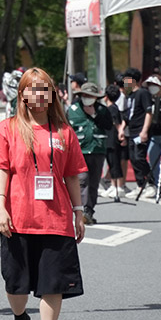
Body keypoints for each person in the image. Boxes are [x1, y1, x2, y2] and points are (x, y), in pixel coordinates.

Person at [0, 67, 87, 320]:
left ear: (52, 94)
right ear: (23, 95)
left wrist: (78, 213)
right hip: (18, 218)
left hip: (55, 219)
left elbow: (71, 176)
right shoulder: (7, 128)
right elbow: (2, 170)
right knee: (15, 285)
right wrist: (0, 207)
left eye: (45, 89)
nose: (39, 95)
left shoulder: (64, 132)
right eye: (32, 89)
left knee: (52, 283)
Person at [66, 82, 111, 224]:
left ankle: (89, 211)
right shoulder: (72, 110)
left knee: (94, 183)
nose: (88, 98)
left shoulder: (103, 110)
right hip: (79, 151)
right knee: (82, 180)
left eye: (91, 96)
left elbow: (109, 125)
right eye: (85, 95)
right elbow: (66, 130)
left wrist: (95, 115)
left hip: (97, 150)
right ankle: (82, 210)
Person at [119, 67, 156, 199]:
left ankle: (151, 184)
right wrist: (123, 129)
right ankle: (140, 185)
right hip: (131, 131)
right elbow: (127, 115)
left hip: (141, 131)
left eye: (126, 79)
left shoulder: (143, 93)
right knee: (133, 159)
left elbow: (149, 112)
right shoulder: (130, 96)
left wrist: (144, 131)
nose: (124, 82)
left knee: (140, 157)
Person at [102, 85, 128, 199]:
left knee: (114, 162)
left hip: (112, 139)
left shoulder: (112, 108)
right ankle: (113, 185)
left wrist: (121, 134)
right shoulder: (111, 108)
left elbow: (116, 123)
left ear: (106, 96)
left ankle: (118, 187)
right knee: (111, 163)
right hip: (109, 138)